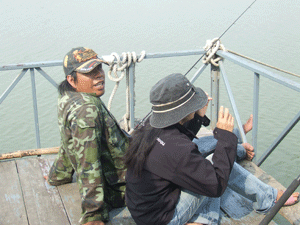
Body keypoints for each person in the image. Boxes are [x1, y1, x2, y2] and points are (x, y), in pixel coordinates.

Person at [124, 73, 299, 225]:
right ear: (182, 110)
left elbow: (183, 143)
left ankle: (241, 151)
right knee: (215, 165)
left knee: (209, 150)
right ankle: (208, 219)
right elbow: (216, 185)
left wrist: (199, 117)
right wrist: (225, 136)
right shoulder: (176, 149)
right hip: (163, 219)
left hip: (143, 210)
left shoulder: (151, 127)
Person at [47, 47, 129, 225]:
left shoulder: (67, 97)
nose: (99, 75)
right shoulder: (87, 110)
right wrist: (94, 215)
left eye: (99, 69)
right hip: (123, 190)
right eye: (90, 72)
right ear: (71, 79)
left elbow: (69, 141)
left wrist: (58, 174)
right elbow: (88, 164)